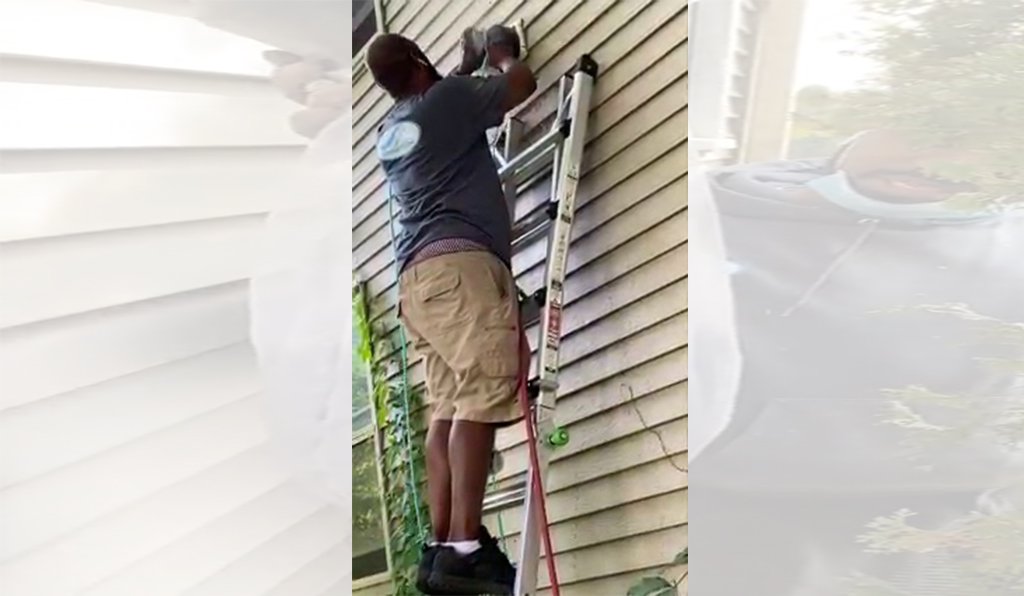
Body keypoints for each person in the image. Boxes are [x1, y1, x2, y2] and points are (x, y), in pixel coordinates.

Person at [690, 129, 1024, 595]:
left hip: (940, 551)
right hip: (735, 535)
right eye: (941, 131)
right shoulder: (702, 218)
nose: (937, 163)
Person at [366, 30, 538, 595]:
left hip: (416, 280)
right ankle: (467, 546)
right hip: (461, 267)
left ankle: (442, 548)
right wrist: (502, 56)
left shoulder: (390, 130)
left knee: (447, 405)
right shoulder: (447, 102)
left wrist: (458, 70)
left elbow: (437, 97)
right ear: (418, 64)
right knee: (483, 392)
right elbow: (519, 86)